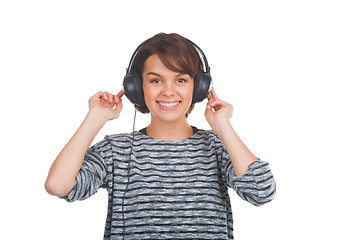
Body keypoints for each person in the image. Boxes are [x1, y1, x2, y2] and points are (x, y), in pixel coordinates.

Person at [45, 32, 276, 239]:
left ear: (199, 88)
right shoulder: (117, 150)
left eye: (181, 80)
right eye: (155, 80)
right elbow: (58, 185)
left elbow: (262, 191)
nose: (168, 90)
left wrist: (222, 125)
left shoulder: (218, 147)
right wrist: (96, 117)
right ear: (136, 87)